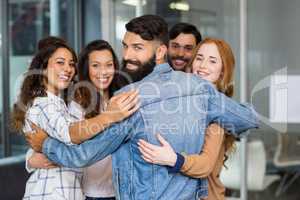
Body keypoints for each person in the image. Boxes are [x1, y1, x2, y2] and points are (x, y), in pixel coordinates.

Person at [26, 15, 259, 200]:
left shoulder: (129, 98)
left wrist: (45, 144)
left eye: (137, 48)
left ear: (160, 52)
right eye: (125, 46)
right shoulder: (201, 89)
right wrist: (211, 116)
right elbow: (249, 118)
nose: (127, 55)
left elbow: (82, 156)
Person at [11, 37, 138, 200]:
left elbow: (56, 136)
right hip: (85, 191)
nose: (103, 72)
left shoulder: (123, 97)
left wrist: (43, 147)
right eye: (95, 65)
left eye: (109, 65)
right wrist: (33, 156)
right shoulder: (74, 102)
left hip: (116, 190)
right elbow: (69, 137)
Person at [138, 37, 237, 200]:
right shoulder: (187, 102)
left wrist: (172, 159)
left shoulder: (216, 111)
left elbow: (205, 165)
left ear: (222, 72)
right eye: (199, 58)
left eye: (212, 61)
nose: (203, 66)